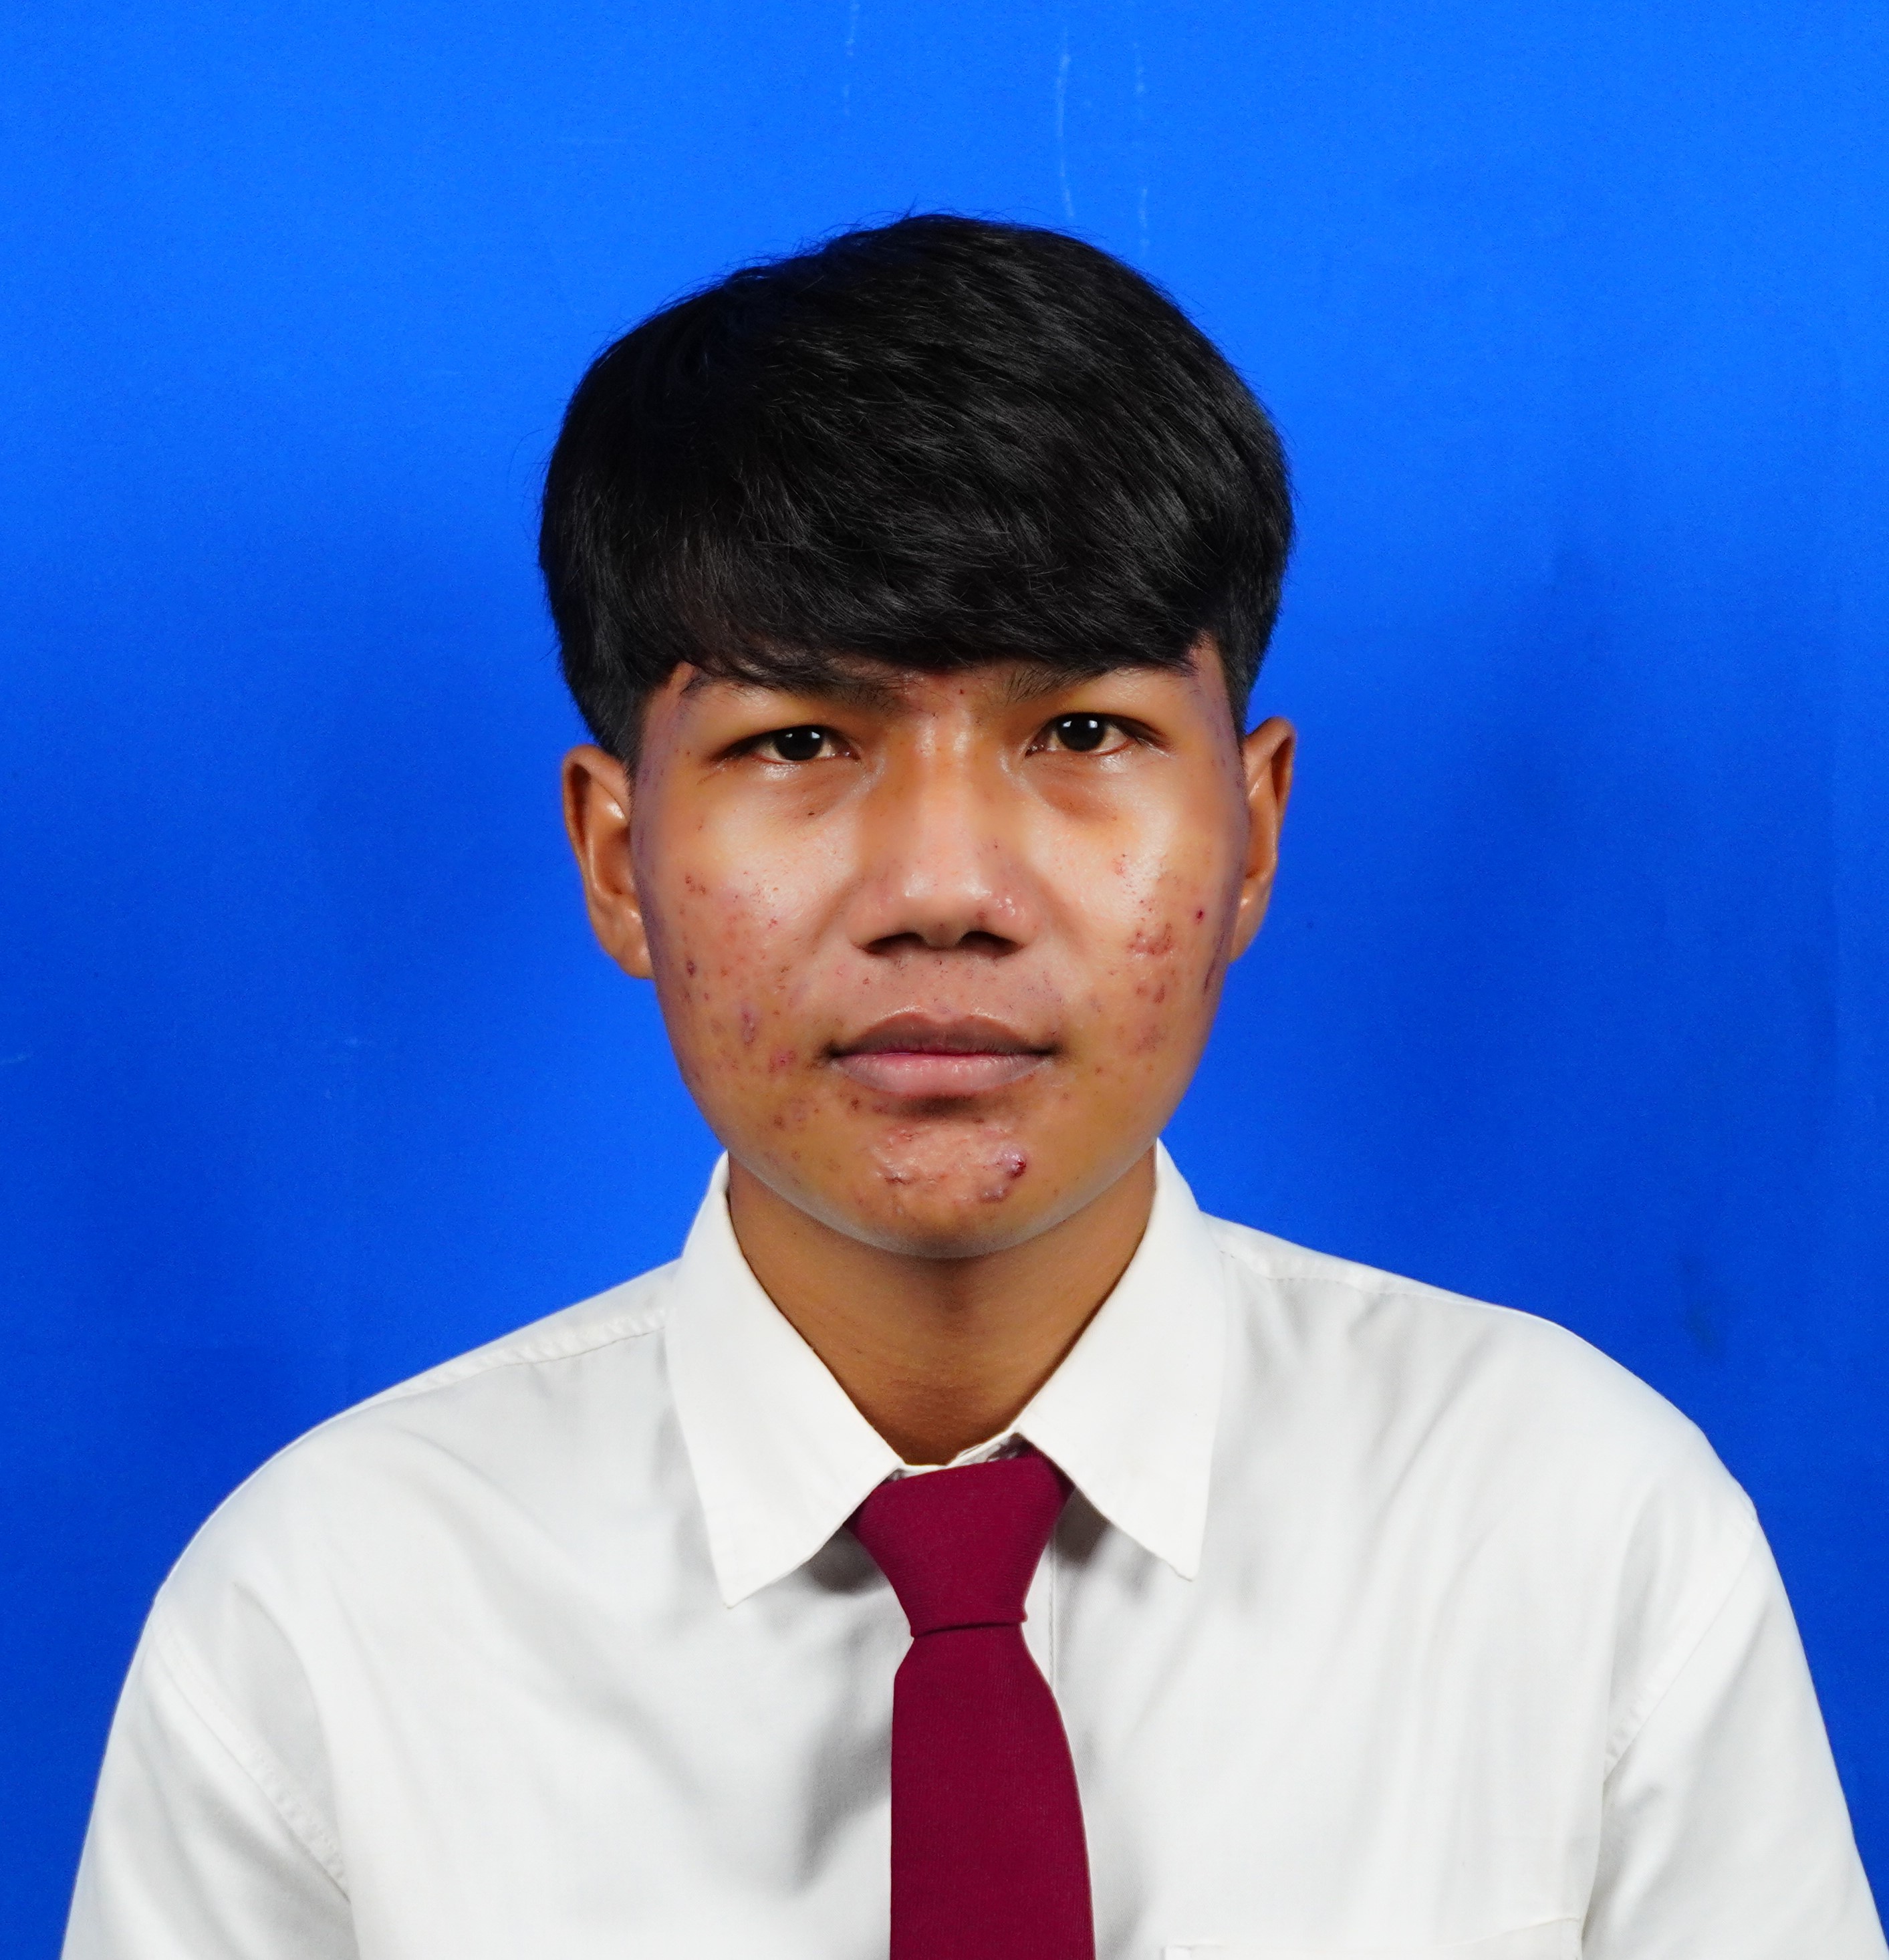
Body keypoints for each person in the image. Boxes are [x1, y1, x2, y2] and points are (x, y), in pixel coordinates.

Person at [63, 216, 1883, 1960]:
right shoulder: (326, 1621)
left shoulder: (1579, 1534)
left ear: (1253, 832)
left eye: (1081, 731)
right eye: (798, 738)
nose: (942, 887)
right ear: (617, 858)